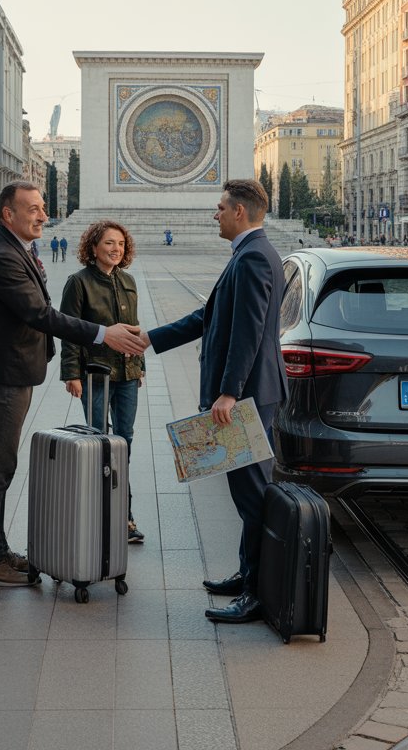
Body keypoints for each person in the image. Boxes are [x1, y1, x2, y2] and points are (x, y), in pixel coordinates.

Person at [0, 182, 144, 587]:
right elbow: (39, 313)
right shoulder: (0, 256)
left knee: (1, 464)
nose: (43, 215)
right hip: (4, 375)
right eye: (33, 208)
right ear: (7, 214)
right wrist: (103, 335)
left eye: (43, 207)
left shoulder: (13, 248)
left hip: (9, 371)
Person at [141, 179, 287, 624]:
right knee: (246, 493)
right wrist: (150, 338)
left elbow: (247, 331)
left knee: (253, 496)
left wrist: (229, 392)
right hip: (250, 392)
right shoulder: (249, 254)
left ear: (240, 212)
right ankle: (248, 576)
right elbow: (210, 316)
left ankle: (259, 593)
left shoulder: (254, 258)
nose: (215, 214)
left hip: (247, 396)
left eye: (220, 207)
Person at [59, 220, 146, 543]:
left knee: (124, 442)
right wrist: (71, 373)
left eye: (121, 244)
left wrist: (141, 364)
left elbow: (134, 327)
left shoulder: (128, 281)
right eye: (109, 243)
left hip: (127, 374)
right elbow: (68, 330)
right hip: (94, 374)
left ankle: (124, 515)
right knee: (99, 441)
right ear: (93, 247)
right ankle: (104, 514)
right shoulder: (78, 283)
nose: (115, 249)